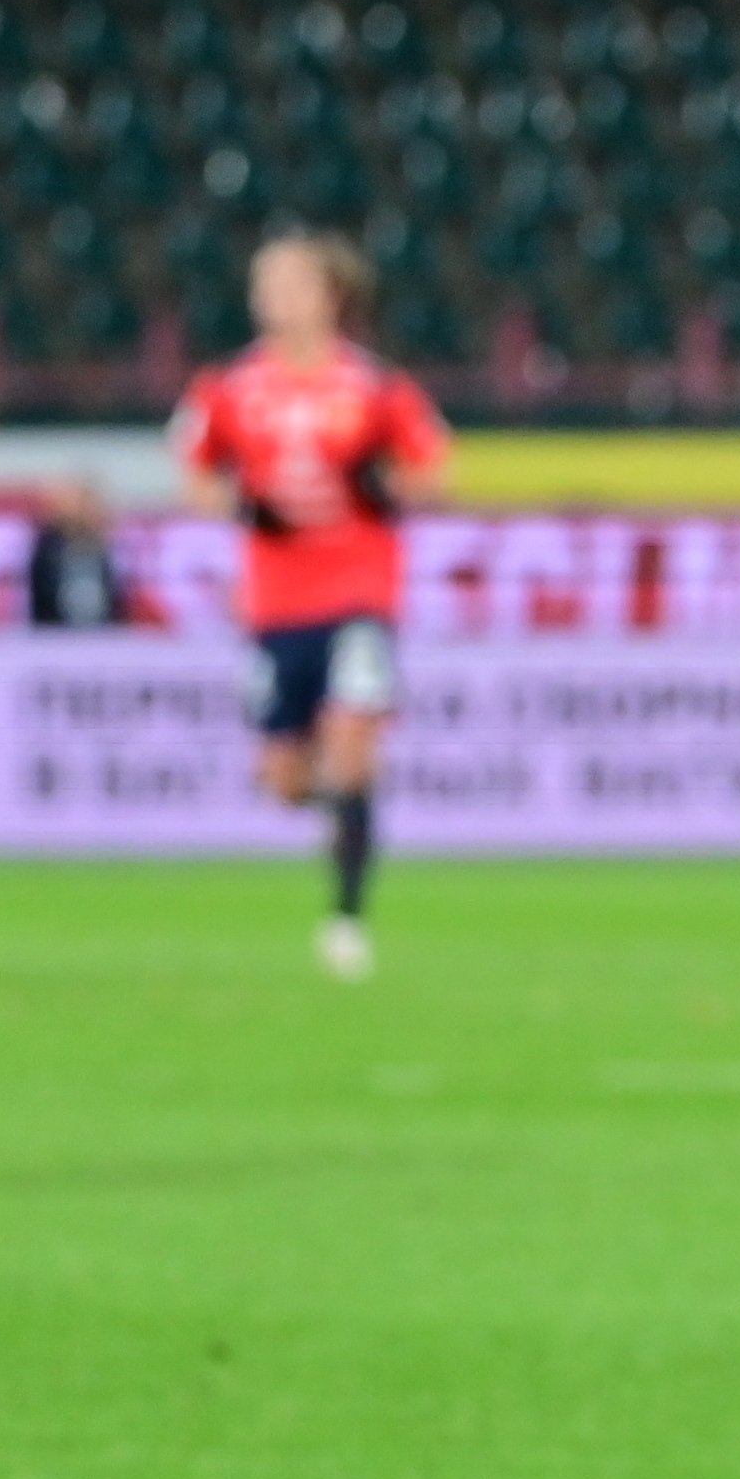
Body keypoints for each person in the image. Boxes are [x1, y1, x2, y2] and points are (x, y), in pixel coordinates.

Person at [171, 232, 446, 979]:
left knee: (352, 738)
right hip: (276, 602)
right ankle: (346, 814)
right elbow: (195, 477)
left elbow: (431, 474)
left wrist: (379, 486)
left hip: (359, 593)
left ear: (329, 296)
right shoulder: (229, 387)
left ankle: (346, 919)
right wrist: (244, 505)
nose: (273, 298)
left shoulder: (374, 387)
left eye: (290, 283)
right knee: (284, 779)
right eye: (265, 285)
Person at [23, 477, 133, 630]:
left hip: (102, 632)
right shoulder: (48, 547)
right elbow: (40, 594)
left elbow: (116, 595)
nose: (85, 511)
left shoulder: (105, 547)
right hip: (55, 632)